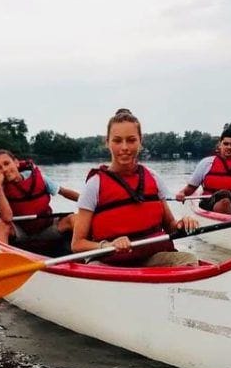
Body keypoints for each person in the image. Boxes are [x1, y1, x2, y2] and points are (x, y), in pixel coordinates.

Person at [71, 108, 200, 267]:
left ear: (140, 141)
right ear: (107, 142)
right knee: (95, 267)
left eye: (131, 140)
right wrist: (108, 245)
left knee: (189, 260)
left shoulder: (152, 177)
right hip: (110, 263)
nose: (124, 147)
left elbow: (170, 226)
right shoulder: (94, 184)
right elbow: (77, 244)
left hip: (151, 258)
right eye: (117, 141)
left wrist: (182, 224)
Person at [0, 150, 79, 245]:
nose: (4, 169)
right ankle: (5, 257)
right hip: (21, 233)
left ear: (16, 163)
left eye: (7, 163)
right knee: (1, 224)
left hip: (47, 229)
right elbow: (7, 218)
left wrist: (90, 204)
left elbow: (63, 192)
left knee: (74, 219)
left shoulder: (38, 178)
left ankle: (84, 251)